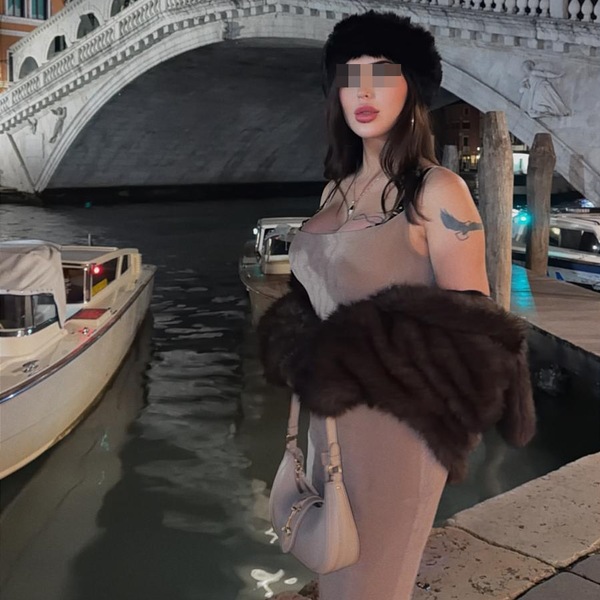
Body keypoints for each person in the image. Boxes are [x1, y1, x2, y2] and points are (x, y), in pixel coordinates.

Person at [258, 11, 536, 600]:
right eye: (350, 75)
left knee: (372, 585)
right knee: (335, 573)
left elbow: (474, 329)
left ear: (412, 87)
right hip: (328, 426)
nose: (363, 91)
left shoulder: (438, 191)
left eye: (381, 73)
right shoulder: (336, 188)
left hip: (396, 429)